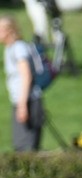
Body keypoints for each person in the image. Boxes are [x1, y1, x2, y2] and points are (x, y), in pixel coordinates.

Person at [0, 16, 44, 152]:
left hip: (28, 101)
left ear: (9, 30)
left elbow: (26, 76)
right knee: (21, 145)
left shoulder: (19, 48)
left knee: (25, 147)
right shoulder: (10, 48)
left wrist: (22, 105)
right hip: (21, 101)